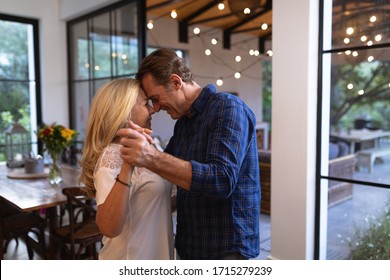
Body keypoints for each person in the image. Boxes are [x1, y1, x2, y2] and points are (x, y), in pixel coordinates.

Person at [117, 48, 260, 260]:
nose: (155, 108)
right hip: (190, 244)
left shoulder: (228, 108)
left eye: (155, 98)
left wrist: (150, 156)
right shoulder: (183, 123)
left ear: (176, 82)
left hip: (226, 249)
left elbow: (221, 180)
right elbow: (164, 173)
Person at [78, 78, 174, 260]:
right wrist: (128, 165)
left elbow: (159, 201)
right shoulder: (112, 156)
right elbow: (109, 228)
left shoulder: (151, 149)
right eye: (146, 103)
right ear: (125, 112)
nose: (153, 109)